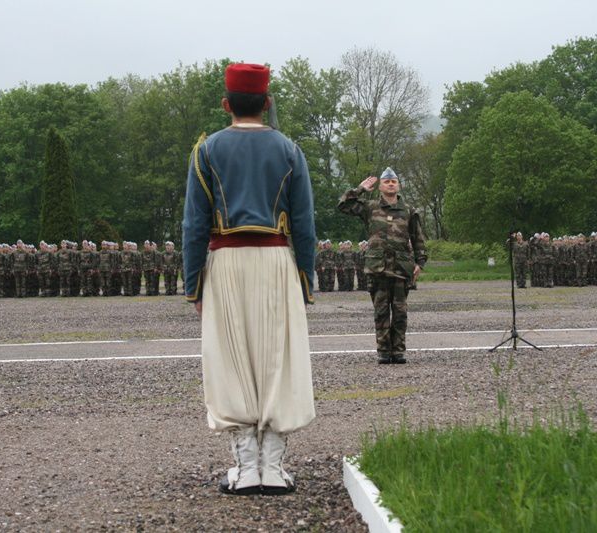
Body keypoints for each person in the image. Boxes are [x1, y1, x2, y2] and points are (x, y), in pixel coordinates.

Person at [182, 63, 316, 496]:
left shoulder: (207, 150)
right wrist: (305, 279)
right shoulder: (290, 150)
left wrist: (193, 284)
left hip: (225, 262)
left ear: (226, 104)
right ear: (267, 102)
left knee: (230, 359)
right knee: (279, 358)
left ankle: (246, 467)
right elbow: (304, 223)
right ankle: (274, 466)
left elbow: (193, 225)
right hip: (276, 260)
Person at [338, 167, 427, 364]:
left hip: (401, 269)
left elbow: (418, 238)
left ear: (399, 185)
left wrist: (420, 263)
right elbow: (343, 205)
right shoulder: (370, 207)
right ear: (380, 186)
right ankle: (384, 352)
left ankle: (399, 351)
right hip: (377, 268)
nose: (391, 184)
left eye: (394, 181)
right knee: (381, 312)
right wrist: (360, 189)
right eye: (387, 181)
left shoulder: (409, 211)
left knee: (400, 312)